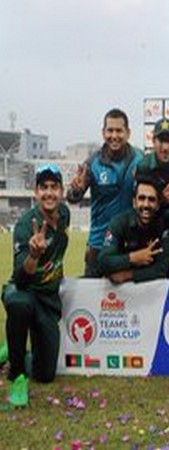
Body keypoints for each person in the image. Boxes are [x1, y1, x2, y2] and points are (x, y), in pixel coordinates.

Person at [2, 164, 70, 406]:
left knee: (45, 374)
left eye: (54, 187)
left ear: (61, 191)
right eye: (44, 188)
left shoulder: (64, 214)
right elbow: (21, 278)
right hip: (24, 291)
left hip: (47, 300)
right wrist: (33, 254)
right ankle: (17, 375)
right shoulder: (25, 226)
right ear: (35, 192)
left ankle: (12, 347)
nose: (49, 193)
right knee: (18, 304)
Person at [66, 108, 143, 278]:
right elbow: (72, 198)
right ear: (103, 133)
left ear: (128, 133)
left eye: (119, 130)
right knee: (93, 299)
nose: (114, 135)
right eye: (110, 130)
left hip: (129, 242)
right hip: (98, 244)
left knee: (129, 300)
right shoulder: (93, 162)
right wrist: (75, 190)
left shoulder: (140, 159)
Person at [98, 175, 169, 283]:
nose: (146, 205)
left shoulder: (163, 226)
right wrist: (133, 258)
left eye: (151, 199)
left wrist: (128, 275)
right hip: (120, 293)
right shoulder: (119, 223)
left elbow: (161, 269)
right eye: (142, 198)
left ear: (158, 204)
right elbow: (103, 261)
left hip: (151, 292)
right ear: (134, 202)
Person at [136, 118, 169, 204]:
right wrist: (161, 199)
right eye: (161, 141)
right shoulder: (144, 167)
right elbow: (140, 202)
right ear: (153, 141)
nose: (165, 148)